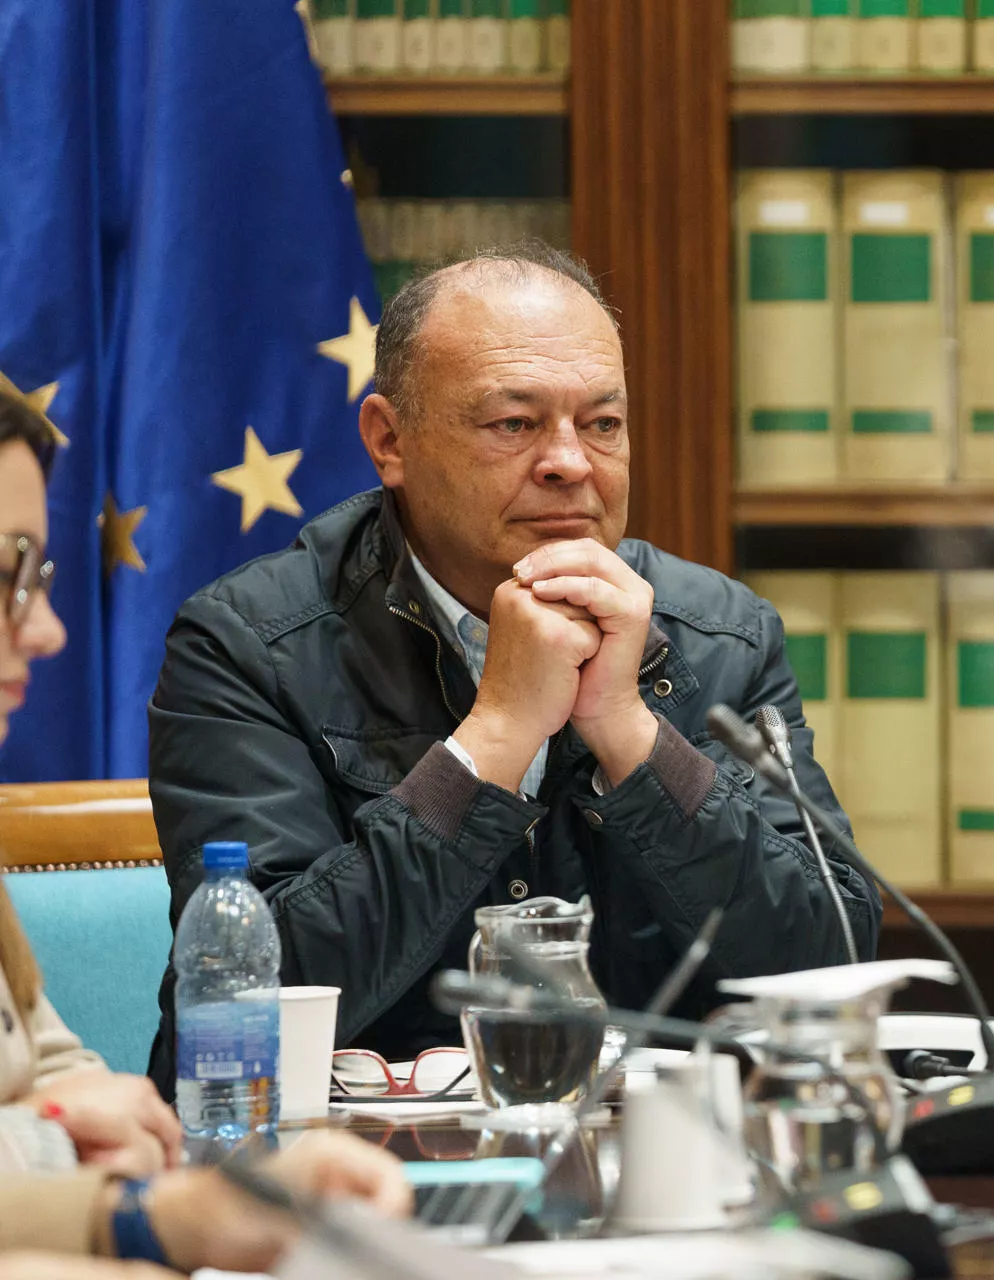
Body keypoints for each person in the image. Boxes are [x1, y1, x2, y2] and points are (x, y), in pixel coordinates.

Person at [146, 242, 879, 1088]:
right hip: (364, 1179)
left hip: (662, 1166)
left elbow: (833, 960)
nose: (570, 462)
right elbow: (248, 1003)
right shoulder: (248, 646)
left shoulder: (721, 634)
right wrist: (493, 740)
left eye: (602, 424)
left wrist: (630, 734)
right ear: (391, 441)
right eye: (514, 423)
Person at [0, 392, 411, 1272]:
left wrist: (108, 1126)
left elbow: (47, 1064)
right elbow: (50, 1119)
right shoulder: (244, 643)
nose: (45, 629)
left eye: (39, 579)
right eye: (9, 574)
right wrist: (128, 1201)